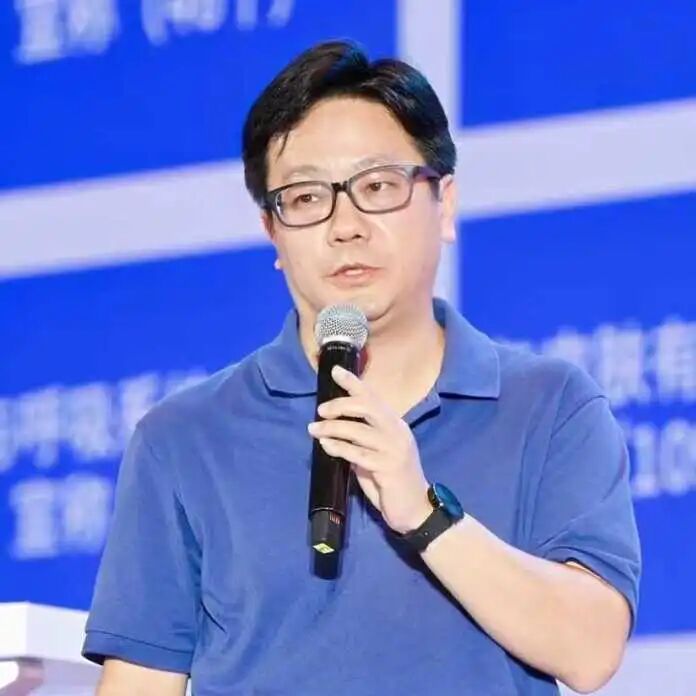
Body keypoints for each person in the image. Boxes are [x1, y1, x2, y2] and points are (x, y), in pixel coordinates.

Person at [83, 40, 641, 695]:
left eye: (377, 187)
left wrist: (426, 515)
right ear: (272, 232)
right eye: (305, 198)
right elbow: (141, 682)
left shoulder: (548, 406)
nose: (345, 226)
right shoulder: (186, 437)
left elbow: (590, 650)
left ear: (445, 204)